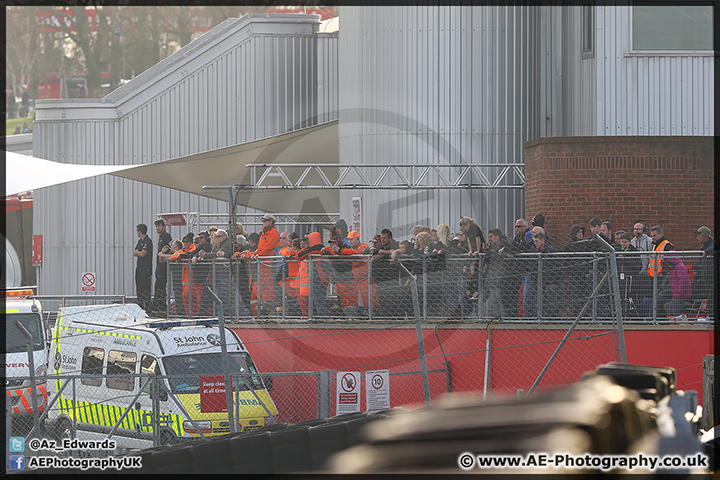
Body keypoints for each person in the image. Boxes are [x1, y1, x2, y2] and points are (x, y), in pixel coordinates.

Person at [239, 214, 281, 313]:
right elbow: (261, 247)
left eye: (266, 220)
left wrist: (259, 255)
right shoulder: (264, 233)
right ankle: (257, 316)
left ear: (271, 221)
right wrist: (257, 254)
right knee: (257, 296)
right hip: (263, 264)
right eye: (263, 220)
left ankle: (269, 315)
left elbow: (267, 247)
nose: (264, 222)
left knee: (266, 290)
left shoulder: (273, 232)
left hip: (267, 263)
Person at [500, 218, 534, 319]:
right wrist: (509, 250)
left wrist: (507, 250)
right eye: (515, 226)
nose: (516, 228)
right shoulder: (518, 237)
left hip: (528, 269)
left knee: (527, 295)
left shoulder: (528, 234)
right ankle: (513, 317)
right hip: (520, 270)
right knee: (514, 292)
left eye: (519, 226)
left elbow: (522, 248)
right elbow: (513, 246)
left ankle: (530, 318)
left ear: (525, 227)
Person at [482, 228, 512, 318]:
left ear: (497, 237)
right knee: (493, 300)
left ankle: (504, 319)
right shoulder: (492, 246)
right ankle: (495, 318)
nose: (489, 239)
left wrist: (493, 254)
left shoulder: (504, 243)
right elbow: (488, 259)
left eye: (491, 237)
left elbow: (494, 257)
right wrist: (486, 251)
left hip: (501, 277)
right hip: (493, 277)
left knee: (500, 300)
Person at [530, 231, 560, 319]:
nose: (535, 243)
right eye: (534, 241)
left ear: (542, 240)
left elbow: (555, 267)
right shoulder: (535, 252)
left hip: (550, 282)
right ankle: (544, 318)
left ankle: (552, 319)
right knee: (542, 302)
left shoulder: (551, 250)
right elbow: (532, 266)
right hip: (539, 282)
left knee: (551, 303)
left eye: (537, 241)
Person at [133, 224, 153, 313]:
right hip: (139, 268)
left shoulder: (147, 241)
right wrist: (138, 252)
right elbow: (134, 252)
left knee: (146, 288)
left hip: (146, 269)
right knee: (139, 288)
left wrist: (138, 252)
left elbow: (142, 254)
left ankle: (148, 309)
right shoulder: (139, 241)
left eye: (137, 230)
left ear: (139, 231)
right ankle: (140, 307)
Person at [153, 219, 173, 312]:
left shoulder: (166, 236)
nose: (157, 228)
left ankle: (161, 307)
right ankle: (159, 306)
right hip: (159, 265)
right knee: (158, 287)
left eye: (159, 226)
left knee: (160, 287)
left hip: (163, 266)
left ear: (164, 227)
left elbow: (170, 247)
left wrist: (164, 253)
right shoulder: (161, 237)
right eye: (156, 226)